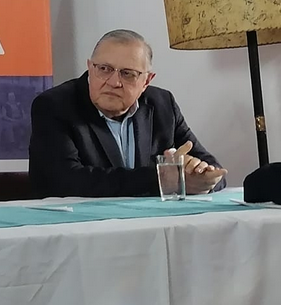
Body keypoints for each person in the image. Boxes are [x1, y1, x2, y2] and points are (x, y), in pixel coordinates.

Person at [29, 29, 227, 198]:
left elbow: (216, 171)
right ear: (90, 68)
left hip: (149, 222)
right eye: (104, 69)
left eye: (127, 74)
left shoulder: (162, 104)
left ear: (146, 81)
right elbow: (65, 182)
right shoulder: (54, 105)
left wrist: (200, 177)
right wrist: (161, 179)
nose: (114, 82)